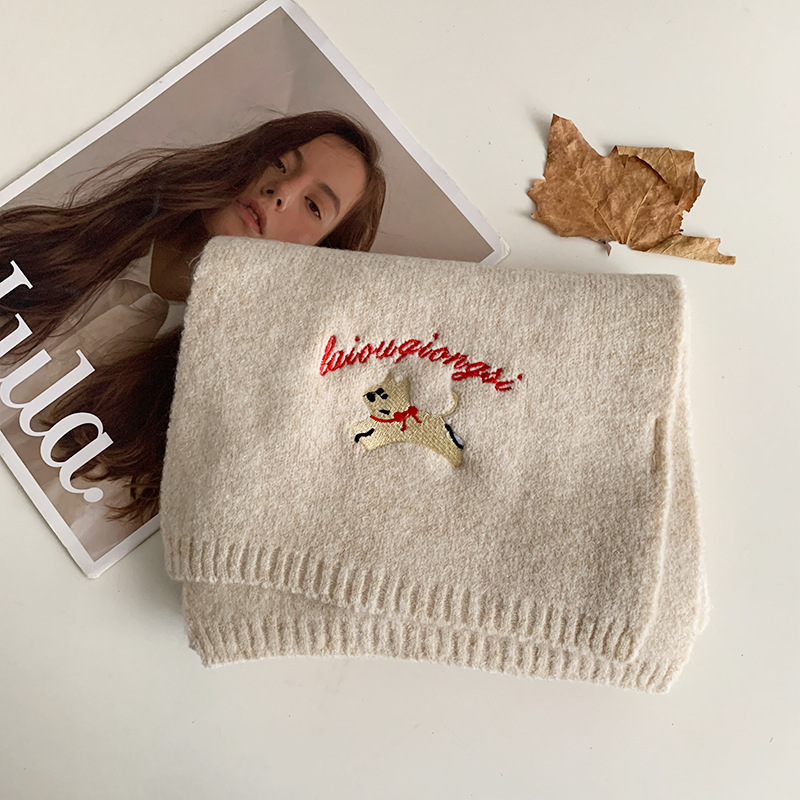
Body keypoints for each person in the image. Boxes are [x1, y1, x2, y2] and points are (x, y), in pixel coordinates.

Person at [0, 111, 386, 556]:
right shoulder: (60, 236)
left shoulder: (207, 424)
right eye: (280, 163)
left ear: (319, 256)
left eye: (314, 206)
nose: (281, 191)